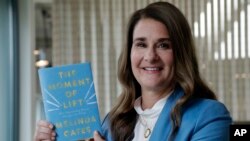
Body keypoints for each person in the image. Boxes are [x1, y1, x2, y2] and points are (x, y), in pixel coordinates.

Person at [34, 1, 232, 141]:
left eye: (163, 45)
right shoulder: (111, 124)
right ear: (129, 54)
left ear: (181, 54)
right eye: (141, 44)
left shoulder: (208, 116)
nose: (150, 56)